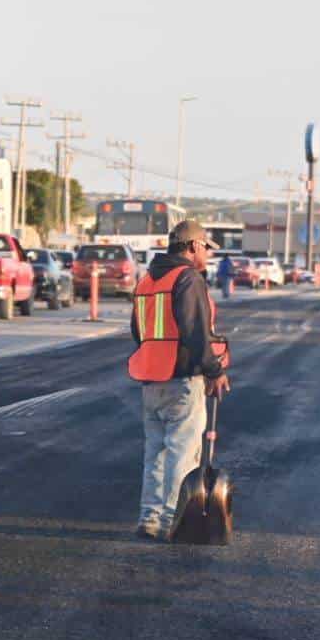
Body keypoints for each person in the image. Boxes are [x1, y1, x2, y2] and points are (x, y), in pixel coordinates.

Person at [128, 220, 231, 540]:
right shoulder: (188, 278)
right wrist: (214, 371)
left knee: (155, 453)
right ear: (193, 247)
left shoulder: (147, 281)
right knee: (182, 453)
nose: (208, 256)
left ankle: (150, 518)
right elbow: (195, 331)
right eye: (206, 248)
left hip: (151, 379)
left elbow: (138, 332)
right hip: (183, 379)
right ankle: (173, 519)